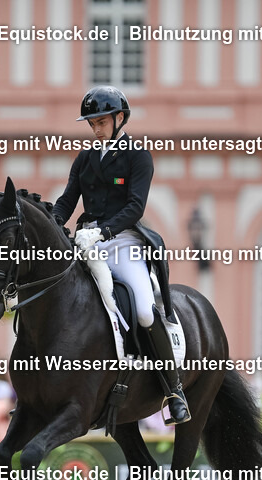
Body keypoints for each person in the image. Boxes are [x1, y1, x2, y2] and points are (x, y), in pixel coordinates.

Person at [51, 85, 189, 425]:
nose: (96, 129)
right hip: (87, 242)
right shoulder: (85, 158)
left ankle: (174, 392)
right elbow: (68, 200)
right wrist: (53, 223)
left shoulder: (137, 156)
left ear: (119, 118)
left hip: (124, 242)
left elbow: (135, 206)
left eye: (101, 122)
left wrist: (105, 231)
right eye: (91, 124)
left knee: (143, 309)